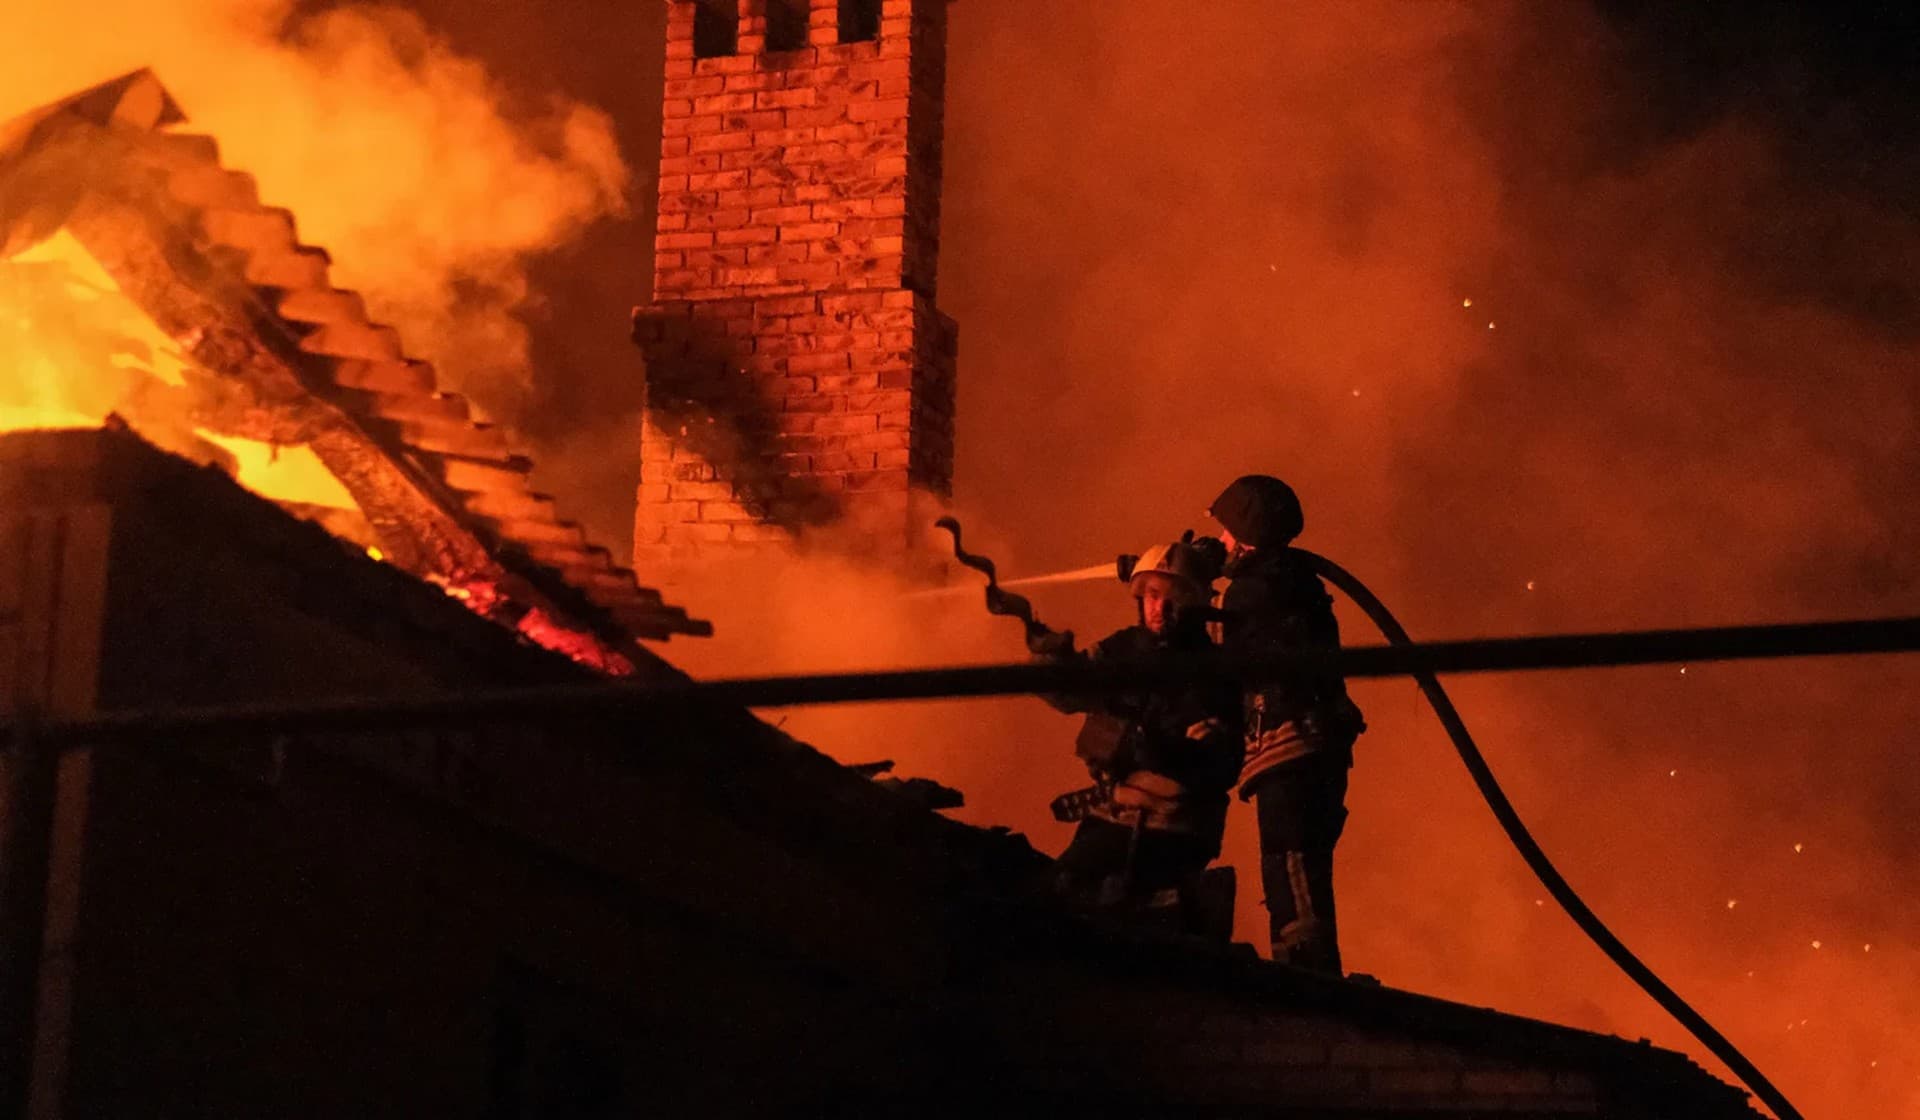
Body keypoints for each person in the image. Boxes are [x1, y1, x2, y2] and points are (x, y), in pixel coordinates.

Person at [1023, 539, 1243, 911]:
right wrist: (1052, 661)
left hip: (1172, 831)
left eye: (1176, 597)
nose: (1162, 608)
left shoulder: (1213, 671)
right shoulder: (1124, 649)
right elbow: (1071, 696)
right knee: (1051, 896)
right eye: (1153, 595)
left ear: (1199, 604)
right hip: (1115, 817)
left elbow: (1221, 766)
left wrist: (1162, 748)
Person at [1207, 475, 1364, 974]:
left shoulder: (1254, 591)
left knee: (1288, 862)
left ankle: (1307, 968)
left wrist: (1190, 595)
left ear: (1248, 533)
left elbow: (1221, 660)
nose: (1222, 543)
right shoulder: (1295, 583)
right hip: (1314, 746)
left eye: (1228, 534)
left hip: (1289, 746)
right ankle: (1310, 960)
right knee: (1304, 864)